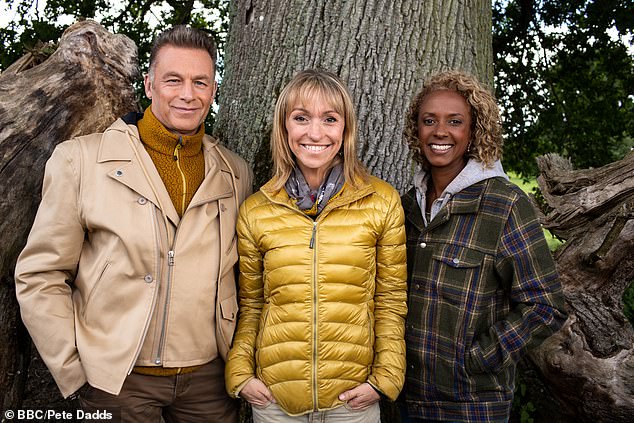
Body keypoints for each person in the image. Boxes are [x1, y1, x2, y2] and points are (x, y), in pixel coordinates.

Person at [14, 25, 252, 422]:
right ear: (149, 84)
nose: (187, 94)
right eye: (173, 80)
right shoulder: (81, 161)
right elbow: (41, 275)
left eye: (201, 82)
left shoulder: (235, 172)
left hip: (210, 381)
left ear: (213, 90)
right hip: (117, 382)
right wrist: (73, 371)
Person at [224, 69, 408, 422]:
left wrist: (385, 379)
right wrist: (240, 374)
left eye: (329, 119)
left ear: (345, 129)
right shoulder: (256, 211)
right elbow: (251, 304)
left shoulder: (381, 202)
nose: (315, 132)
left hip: (353, 401)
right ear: (284, 128)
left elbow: (390, 303)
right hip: (275, 401)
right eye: (301, 118)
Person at [399, 70, 567, 423]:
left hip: (472, 405)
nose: (440, 131)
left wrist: (478, 359)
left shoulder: (503, 205)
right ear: (417, 129)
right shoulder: (406, 207)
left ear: (474, 131)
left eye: (455, 121)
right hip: (406, 399)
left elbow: (545, 305)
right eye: (429, 120)